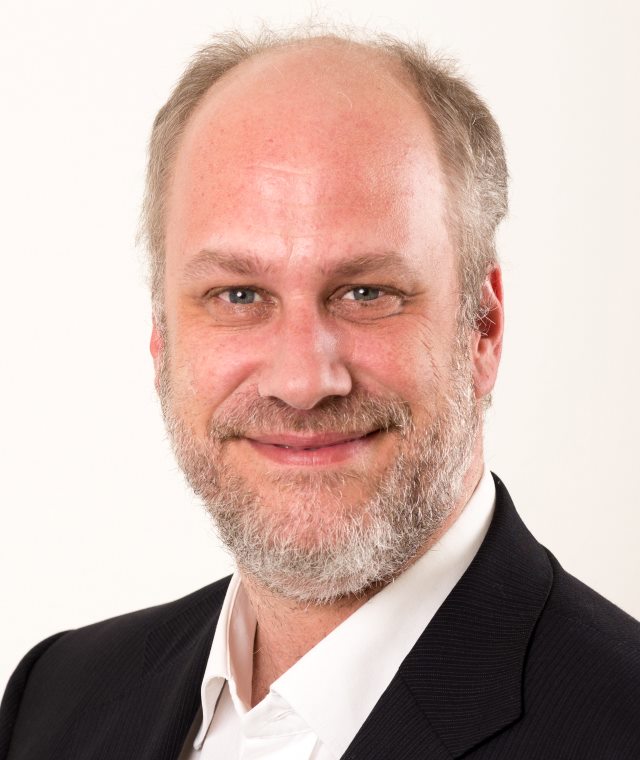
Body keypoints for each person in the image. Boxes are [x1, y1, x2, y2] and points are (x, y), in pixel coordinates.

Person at [1, 25, 639, 760]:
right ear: (161, 334)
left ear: (483, 329)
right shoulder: (55, 700)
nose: (302, 384)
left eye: (367, 292)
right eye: (238, 294)